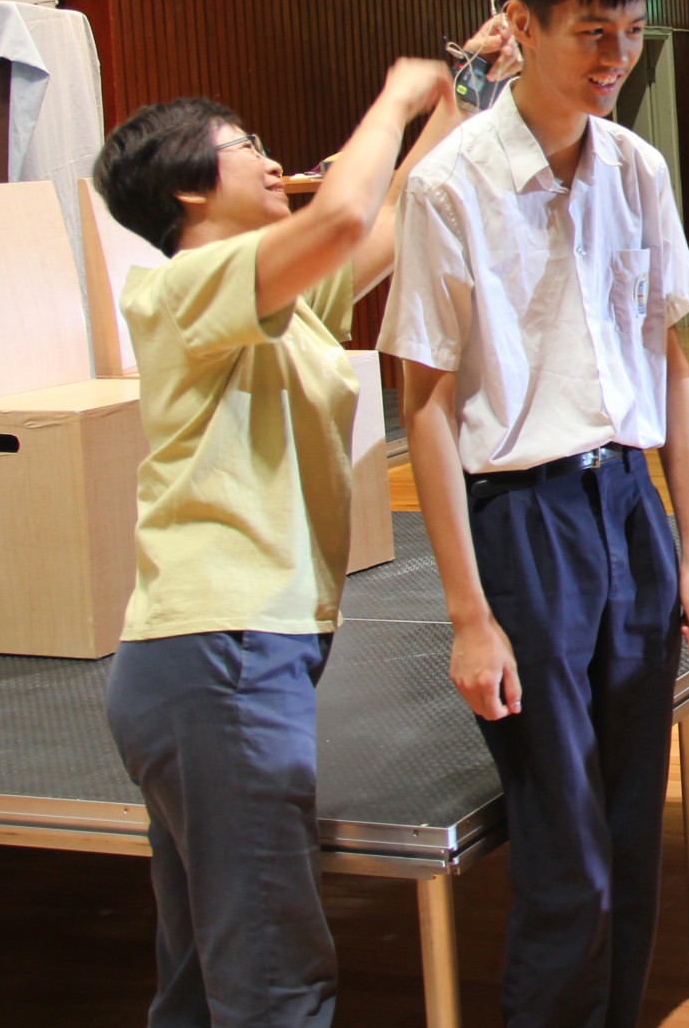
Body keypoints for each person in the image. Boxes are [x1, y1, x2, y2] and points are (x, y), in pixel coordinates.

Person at [384, 0, 689, 1028]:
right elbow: (426, 405)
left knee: (631, 836)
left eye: (630, 32)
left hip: (629, 509)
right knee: (565, 854)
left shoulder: (638, 167)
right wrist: (468, 616)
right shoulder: (450, 185)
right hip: (522, 524)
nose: (616, 57)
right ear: (518, 27)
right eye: (591, 33)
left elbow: (669, 362)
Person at [97, 56, 457, 1028]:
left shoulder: (282, 303)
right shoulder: (181, 286)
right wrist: (394, 94)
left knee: (205, 968)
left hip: (227, 659)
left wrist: (463, 87)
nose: (267, 158)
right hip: (216, 657)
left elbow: (397, 209)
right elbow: (340, 217)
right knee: (271, 972)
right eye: (243, 145)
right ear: (187, 187)